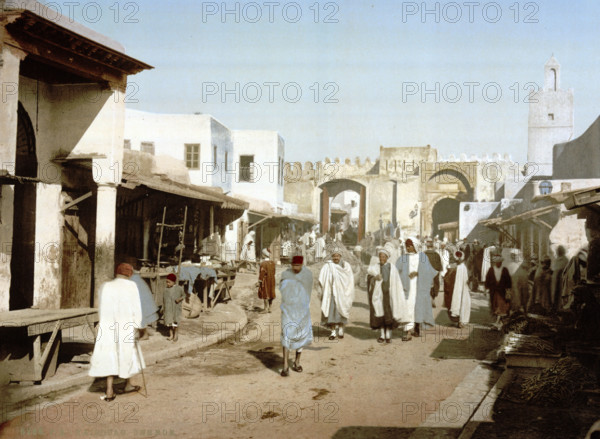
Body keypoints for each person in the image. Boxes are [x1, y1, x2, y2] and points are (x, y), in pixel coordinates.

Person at [89, 263, 144, 401]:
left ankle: (109, 390)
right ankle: (128, 384)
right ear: (129, 274)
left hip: (108, 326)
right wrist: (138, 326)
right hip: (125, 326)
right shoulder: (131, 286)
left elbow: (101, 308)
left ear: (116, 273)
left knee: (110, 355)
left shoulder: (107, 286)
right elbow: (136, 308)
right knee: (127, 353)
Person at [396, 238, 439, 338]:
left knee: (418, 307)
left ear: (415, 246)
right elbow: (396, 270)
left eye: (410, 246)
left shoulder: (422, 257)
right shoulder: (403, 258)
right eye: (406, 246)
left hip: (420, 287)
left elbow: (429, 271)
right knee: (408, 307)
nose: (408, 248)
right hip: (408, 288)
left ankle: (417, 328)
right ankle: (408, 332)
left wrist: (418, 273)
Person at [279, 255, 313, 376]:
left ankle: (297, 362)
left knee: (301, 335)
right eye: (294, 265)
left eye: (298, 265)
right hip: (288, 309)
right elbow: (282, 289)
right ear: (291, 265)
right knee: (286, 335)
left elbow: (309, 291)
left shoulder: (307, 275)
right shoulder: (286, 274)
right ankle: (285, 366)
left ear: (302, 265)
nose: (296, 268)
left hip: (302, 310)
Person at [366, 247, 406, 343]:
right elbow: (369, 278)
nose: (382, 258)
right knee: (380, 314)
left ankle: (388, 334)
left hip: (389, 295)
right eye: (380, 256)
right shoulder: (375, 267)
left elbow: (396, 282)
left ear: (387, 257)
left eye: (384, 257)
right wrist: (375, 278)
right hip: (379, 295)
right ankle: (382, 335)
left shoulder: (392, 268)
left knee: (388, 315)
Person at [318, 247, 355, 340]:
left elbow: (349, 279)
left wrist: (346, 290)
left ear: (341, 256)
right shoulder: (327, 266)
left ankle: (341, 329)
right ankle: (333, 332)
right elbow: (321, 279)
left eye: (338, 256)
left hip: (342, 293)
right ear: (331, 257)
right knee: (331, 312)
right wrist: (321, 290)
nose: (336, 258)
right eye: (334, 256)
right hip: (330, 293)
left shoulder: (346, 266)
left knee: (341, 312)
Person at [129, 259, 159, 341]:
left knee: (140, 317)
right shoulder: (135, 277)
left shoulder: (134, 278)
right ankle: (142, 334)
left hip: (142, 300)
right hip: (141, 299)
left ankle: (144, 334)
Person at [485, 252, 512, 327]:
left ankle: (498, 322)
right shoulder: (491, 270)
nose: (498, 264)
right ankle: (497, 321)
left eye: (499, 262)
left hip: (502, 292)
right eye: (497, 262)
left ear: (501, 262)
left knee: (501, 307)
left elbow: (508, 281)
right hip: (494, 291)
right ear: (495, 262)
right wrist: (486, 288)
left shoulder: (504, 270)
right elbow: (487, 279)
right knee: (494, 306)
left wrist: (508, 290)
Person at [450, 251, 470, 328]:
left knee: (463, 302)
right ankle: (459, 321)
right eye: (457, 257)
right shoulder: (455, 267)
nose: (458, 259)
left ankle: (462, 321)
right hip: (456, 288)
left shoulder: (463, 267)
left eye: (459, 257)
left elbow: (466, 279)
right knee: (457, 303)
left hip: (463, 288)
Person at [163, 273, 185, 342]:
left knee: (175, 323)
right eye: (166, 282)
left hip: (176, 308)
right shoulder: (165, 290)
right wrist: (163, 308)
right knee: (169, 322)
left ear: (174, 282)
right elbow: (163, 299)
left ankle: (176, 335)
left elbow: (184, 296)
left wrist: (179, 299)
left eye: (169, 282)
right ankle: (171, 335)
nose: (167, 284)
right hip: (168, 309)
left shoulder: (179, 288)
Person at [424, 237, 443, 308]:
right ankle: (433, 299)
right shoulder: (436, 254)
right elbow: (439, 265)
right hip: (434, 272)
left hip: (426, 273)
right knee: (435, 285)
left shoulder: (423, 254)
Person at [257, 248, 276, 313]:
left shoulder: (263, 263)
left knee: (265, 292)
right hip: (272, 279)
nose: (262, 255)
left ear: (264, 255)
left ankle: (265, 309)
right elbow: (274, 272)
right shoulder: (273, 263)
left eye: (262, 254)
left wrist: (260, 280)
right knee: (271, 292)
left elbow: (262, 273)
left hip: (266, 280)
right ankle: (270, 308)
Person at [551, 245, 569, 312]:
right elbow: (554, 269)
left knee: (560, 295)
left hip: (562, 281)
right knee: (555, 294)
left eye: (559, 251)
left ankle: (560, 310)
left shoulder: (565, 260)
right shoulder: (556, 260)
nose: (558, 252)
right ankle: (555, 309)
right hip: (555, 280)